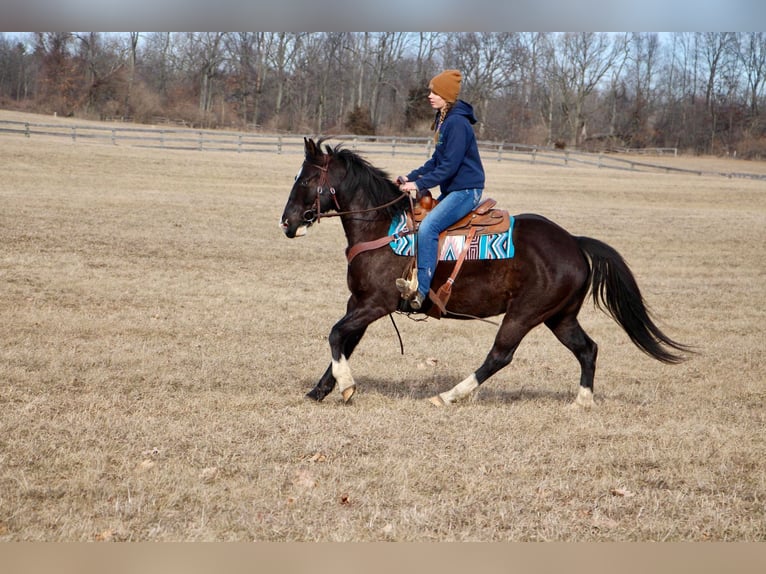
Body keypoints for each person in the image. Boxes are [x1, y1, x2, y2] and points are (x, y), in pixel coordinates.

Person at [396, 69, 485, 310]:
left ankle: (421, 292)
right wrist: (410, 176)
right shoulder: (445, 120)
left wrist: (419, 184)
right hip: (454, 190)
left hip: (466, 191)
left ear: (446, 95)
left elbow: (449, 167)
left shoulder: (456, 123)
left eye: (435, 92)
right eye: (430, 91)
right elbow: (436, 161)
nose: (429, 96)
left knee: (428, 227)